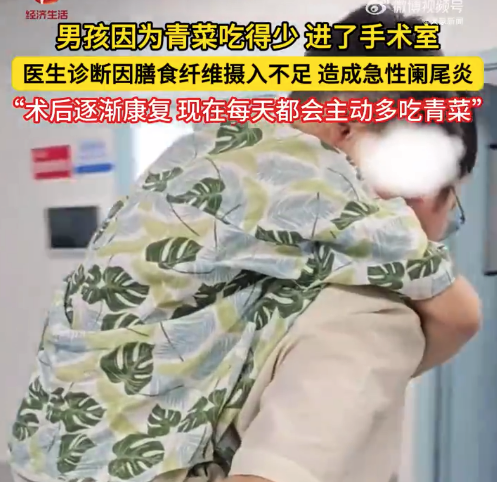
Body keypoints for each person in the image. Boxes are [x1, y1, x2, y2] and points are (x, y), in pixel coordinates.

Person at [8, 5, 481, 482]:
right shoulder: (317, 182)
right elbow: (461, 316)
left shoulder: (207, 147)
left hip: (48, 439)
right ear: (344, 124)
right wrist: (395, 360)